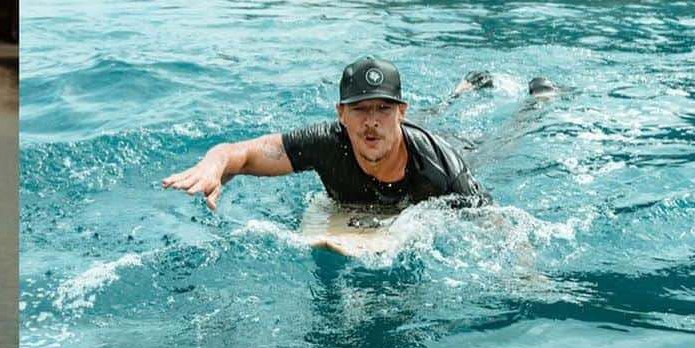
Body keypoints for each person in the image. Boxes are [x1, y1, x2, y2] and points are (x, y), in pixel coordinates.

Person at [161, 56, 490, 212]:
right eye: (360, 109)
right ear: (341, 114)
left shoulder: (440, 165)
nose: (371, 121)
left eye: (383, 109)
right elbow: (243, 152)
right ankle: (457, 93)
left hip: (458, 145)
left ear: (400, 112)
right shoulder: (327, 143)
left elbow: (495, 221)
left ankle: (480, 96)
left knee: (493, 142)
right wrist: (214, 163)